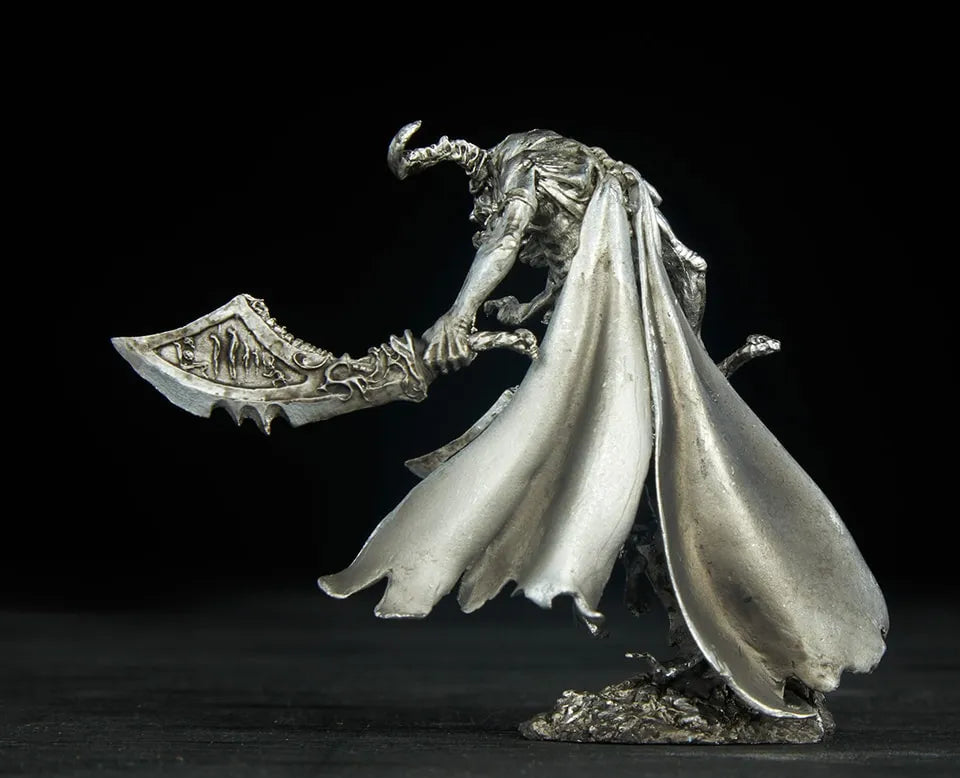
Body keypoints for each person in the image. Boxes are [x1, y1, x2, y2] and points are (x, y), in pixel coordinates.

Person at [318, 122, 888, 718]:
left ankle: (753, 649)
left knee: (646, 493)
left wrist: (459, 314)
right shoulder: (590, 174)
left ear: (485, 182)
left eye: (478, 206)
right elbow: (593, 260)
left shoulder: (519, 166)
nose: (477, 219)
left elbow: (508, 237)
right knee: (662, 505)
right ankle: (739, 648)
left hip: (627, 357)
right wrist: (532, 306)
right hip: (639, 343)